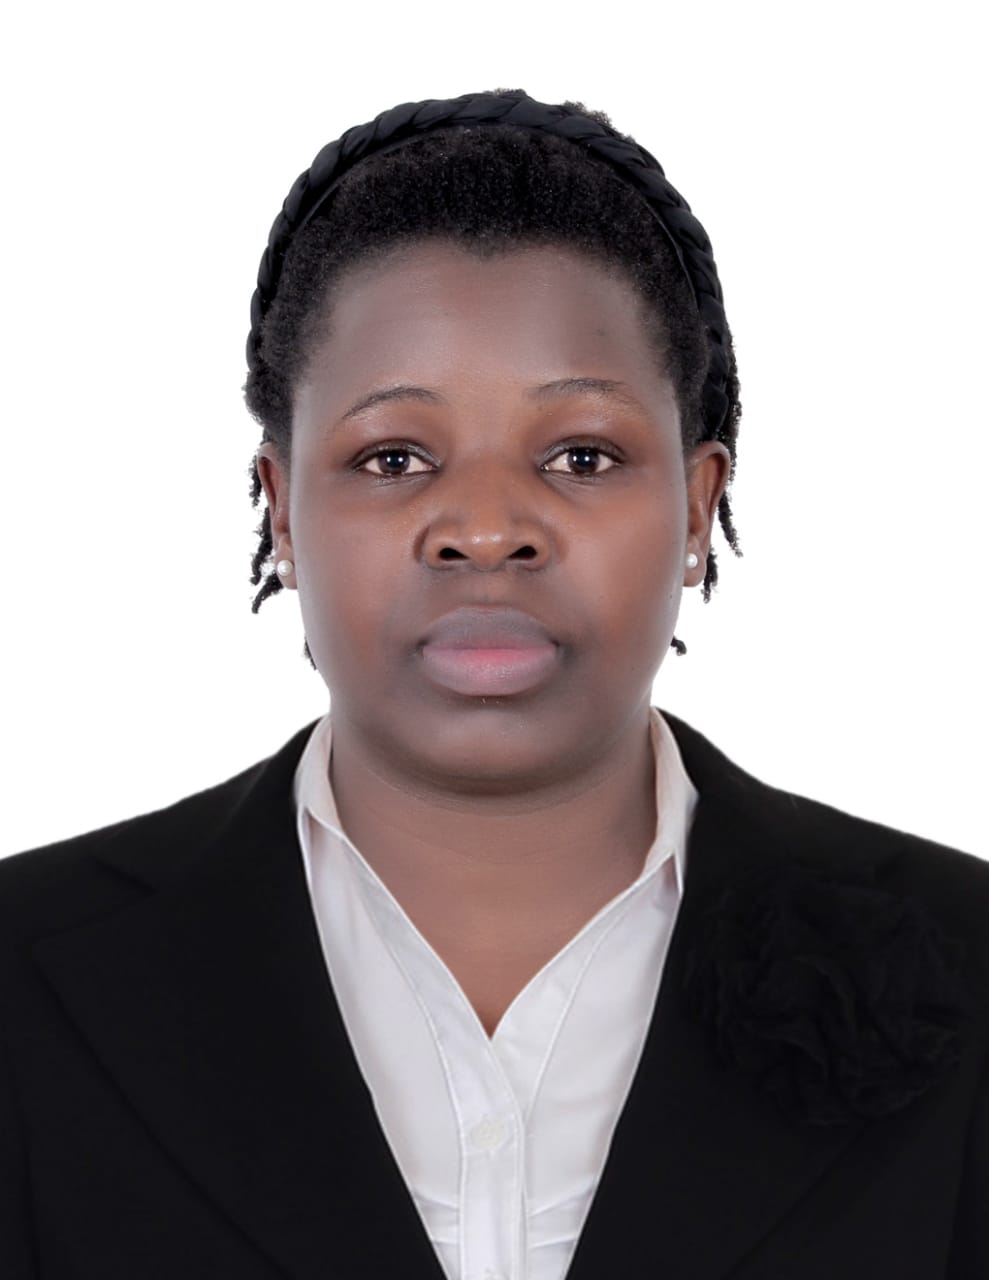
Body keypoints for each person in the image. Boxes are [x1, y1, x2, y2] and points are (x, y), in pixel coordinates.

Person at [0, 89, 985, 1279]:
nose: (482, 527)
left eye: (580, 454)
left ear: (695, 506)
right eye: (392, 457)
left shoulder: (966, 957)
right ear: (282, 509)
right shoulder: (26, 972)